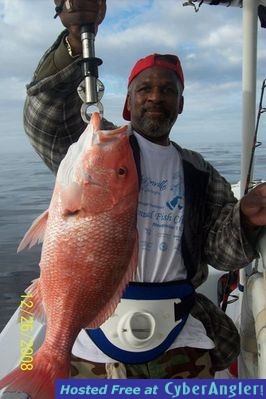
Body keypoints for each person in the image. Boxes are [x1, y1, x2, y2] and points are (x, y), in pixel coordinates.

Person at [23, 0, 266, 379]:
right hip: (92, 341)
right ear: (127, 101)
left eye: (168, 91)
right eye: (145, 88)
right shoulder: (97, 148)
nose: (156, 97)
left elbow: (220, 252)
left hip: (181, 335)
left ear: (181, 105)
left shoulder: (200, 172)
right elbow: (44, 118)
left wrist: (247, 219)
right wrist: (74, 41)